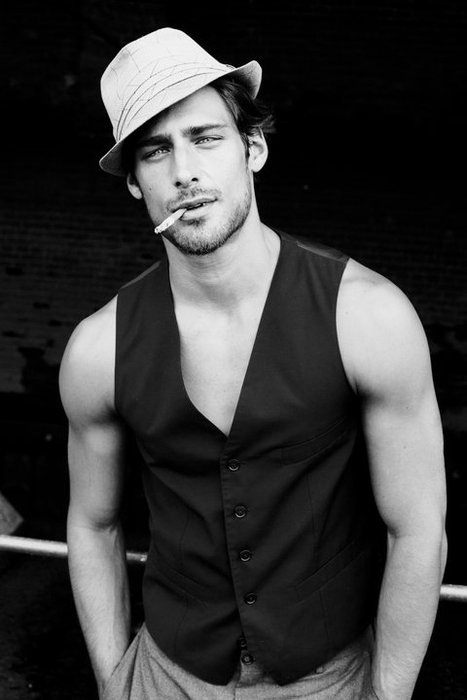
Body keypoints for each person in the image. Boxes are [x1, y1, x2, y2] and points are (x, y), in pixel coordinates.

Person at [59, 27, 447, 700]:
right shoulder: (98, 349)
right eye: (155, 151)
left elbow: (416, 529)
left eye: (205, 138)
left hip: (328, 678)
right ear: (135, 185)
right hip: (165, 676)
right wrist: (113, 682)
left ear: (253, 148)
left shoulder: (368, 316)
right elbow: (93, 524)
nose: (183, 171)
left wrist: (387, 695)